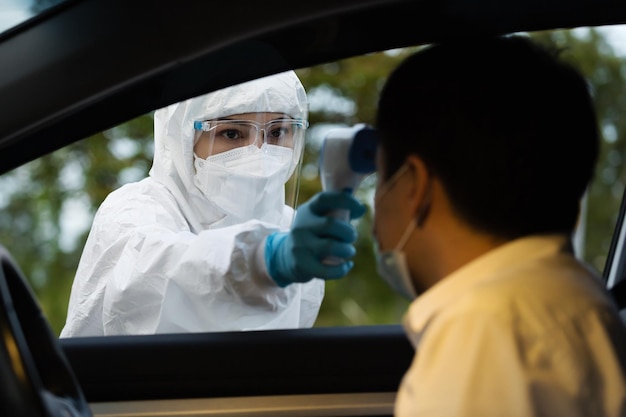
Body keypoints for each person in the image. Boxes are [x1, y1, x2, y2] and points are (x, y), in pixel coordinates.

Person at [372, 36, 626, 416]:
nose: (374, 214)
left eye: (379, 180)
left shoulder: (483, 330)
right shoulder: (577, 298)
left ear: (415, 186)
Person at [61, 71, 365, 336]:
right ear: (181, 137)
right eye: (231, 133)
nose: (259, 153)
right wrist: (262, 261)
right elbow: (153, 279)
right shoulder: (134, 210)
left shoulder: (289, 228)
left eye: (277, 132)